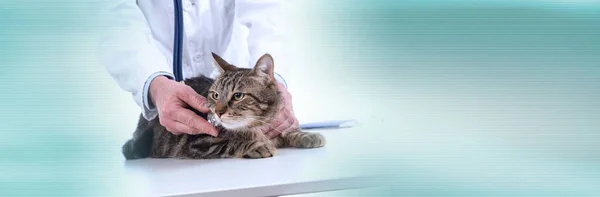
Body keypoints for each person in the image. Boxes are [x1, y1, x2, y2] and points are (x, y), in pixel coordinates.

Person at [98, 0, 297, 138]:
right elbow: (112, 18)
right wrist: (155, 84)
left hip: (241, 101)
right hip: (168, 103)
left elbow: (268, 11)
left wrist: (273, 84)